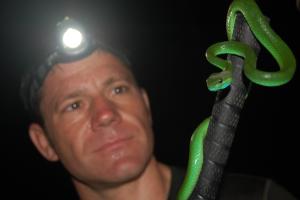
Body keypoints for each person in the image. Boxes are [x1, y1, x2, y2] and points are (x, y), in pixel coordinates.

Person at [20, 18, 297, 200]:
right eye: (74, 105)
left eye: (118, 89)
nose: (105, 114)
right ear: (44, 143)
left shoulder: (258, 197)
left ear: (146, 104)